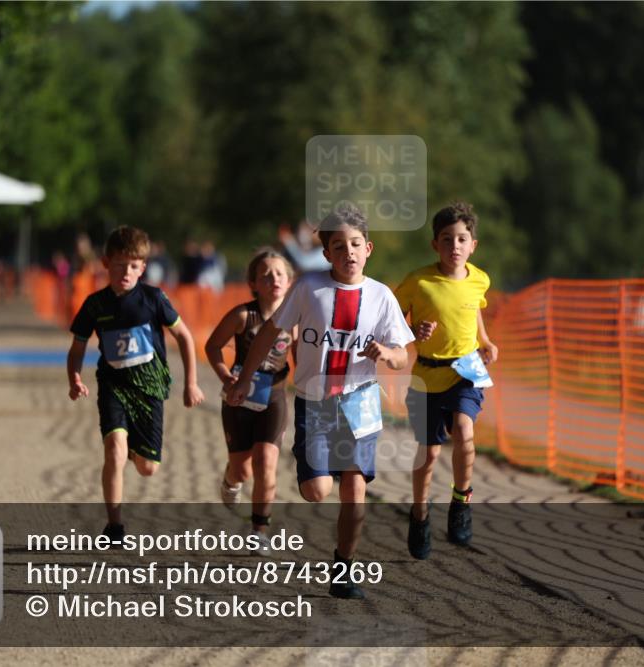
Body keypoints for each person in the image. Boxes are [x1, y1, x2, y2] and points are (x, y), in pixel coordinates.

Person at [227, 203, 414, 599]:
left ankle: (344, 568)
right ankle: (311, 468)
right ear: (326, 253)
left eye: (356, 244)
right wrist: (244, 377)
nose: (349, 252)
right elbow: (268, 334)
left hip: (361, 403)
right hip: (315, 402)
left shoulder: (381, 297)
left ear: (369, 249)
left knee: (355, 490)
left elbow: (402, 355)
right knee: (317, 491)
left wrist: (387, 355)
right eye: (339, 246)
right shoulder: (309, 287)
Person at [67, 226, 205, 541]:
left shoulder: (154, 298)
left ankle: (134, 448)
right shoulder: (95, 305)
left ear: (142, 267)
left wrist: (191, 384)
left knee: (147, 468)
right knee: (114, 451)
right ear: (105, 263)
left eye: (133, 266)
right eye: (119, 264)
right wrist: (74, 377)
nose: (125, 272)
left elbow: (184, 336)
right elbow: (76, 348)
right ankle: (114, 525)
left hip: (150, 389)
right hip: (113, 386)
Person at [394, 201, 498, 559]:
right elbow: (391, 320)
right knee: (428, 453)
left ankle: (461, 500)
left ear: (473, 245)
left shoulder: (480, 279)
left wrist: (485, 342)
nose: (454, 246)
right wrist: (413, 330)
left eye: (462, 239)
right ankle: (420, 513)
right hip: (426, 375)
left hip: (466, 371)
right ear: (434, 245)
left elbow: (474, 314)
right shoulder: (418, 281)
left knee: (465, 432)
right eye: (446, 239)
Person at [205, 249, 297, 551]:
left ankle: (260, 529)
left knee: (266, 462)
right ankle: (231, 482)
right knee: (242, 469)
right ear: (253, 283)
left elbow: (301, 358)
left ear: (290, 279)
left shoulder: (295, 321)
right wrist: (225, 377)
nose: (274, 279)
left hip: (274, 398)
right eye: (266, 274)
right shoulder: (243, 316)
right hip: (239, 399)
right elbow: (213, 346)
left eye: (279, 273)